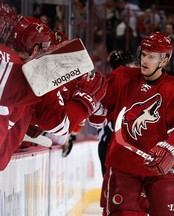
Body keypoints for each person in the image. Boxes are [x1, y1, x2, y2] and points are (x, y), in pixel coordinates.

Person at [0, 6, 107, 170]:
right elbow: (60, 125)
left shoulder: (13, 64)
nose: (47, 53)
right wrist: (84, 100)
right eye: (46, 47)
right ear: (35, 49)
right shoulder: (30, 77)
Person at [100, 32, 174, 216]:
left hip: (160, 169)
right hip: (125, 167)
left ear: (164, 60)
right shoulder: (123, 78)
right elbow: (100, 113)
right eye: (143, 54)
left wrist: (169, 148)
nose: (145, 60)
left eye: (151, 56)